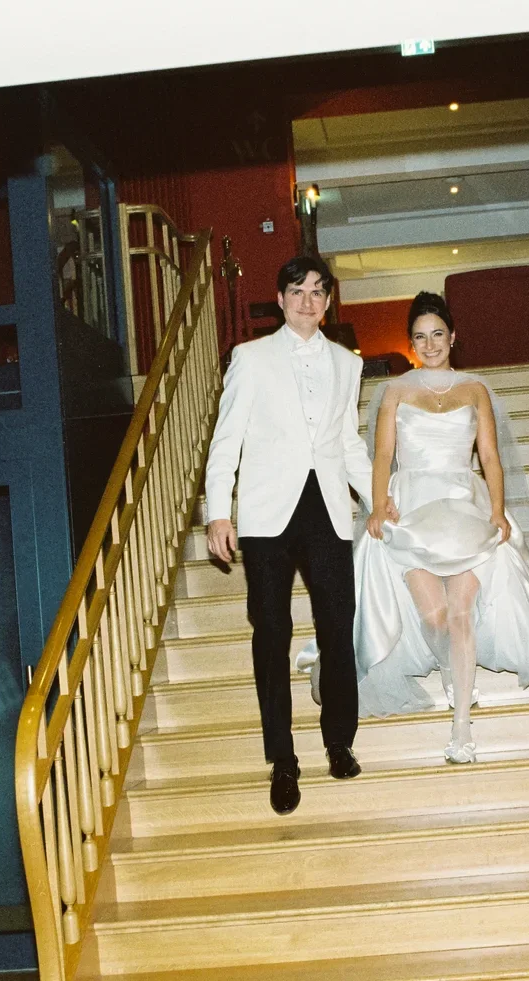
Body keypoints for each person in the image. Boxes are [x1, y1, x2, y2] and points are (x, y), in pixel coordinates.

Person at [321, 292, 529, 763]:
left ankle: (461, 725)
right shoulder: (395, 391)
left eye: (437, 334)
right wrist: (379, 505)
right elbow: (381, 455)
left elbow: (489, 457)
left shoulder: (474, 390)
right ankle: (449, 670)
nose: (430, 344)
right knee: (434, 615)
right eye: (420, 337)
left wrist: (499, 511)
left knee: (461, 613)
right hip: (412, 511)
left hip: (465, 507)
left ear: (453, 337)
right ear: (413, 342)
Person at [203, 254, 389, 815]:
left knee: (338, 625)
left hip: (328, 509)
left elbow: (349, 443)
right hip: (266, 516)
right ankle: (283, 761)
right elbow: (226, 439)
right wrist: (219, 511)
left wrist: (380, 497)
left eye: (318, 292)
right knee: (271, 634)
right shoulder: (250, 358)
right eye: (297, 291)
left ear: (329, 302)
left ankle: (339, 742)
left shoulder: (345, 363)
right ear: (281, 299)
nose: (308, 301)